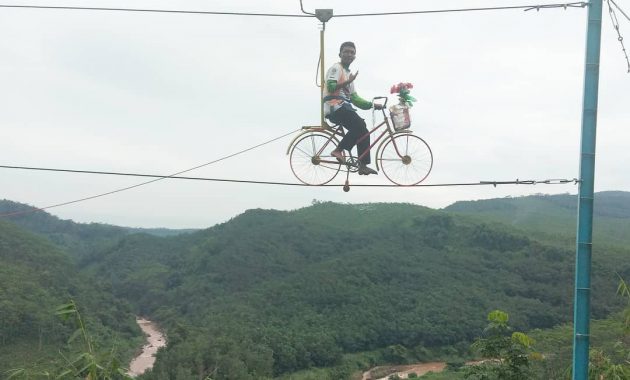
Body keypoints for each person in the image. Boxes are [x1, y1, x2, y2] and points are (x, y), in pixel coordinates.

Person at [323, 41, 381, 175]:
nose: (349, 54)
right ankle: (338, 150)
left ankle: (363, 164)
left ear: (355, 56)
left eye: (352, 52)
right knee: (359, 124)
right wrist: (348, 81)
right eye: (346, 52)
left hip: (344, 107)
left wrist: (372, 105)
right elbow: (331, 87)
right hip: (334, 107)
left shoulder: (348, 74)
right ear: (340, 54)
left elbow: (355, 99)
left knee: (364, 131)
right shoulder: (335, 68)